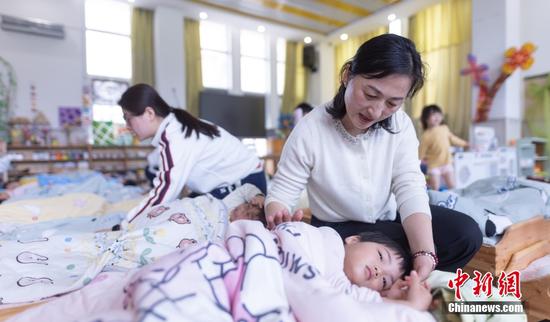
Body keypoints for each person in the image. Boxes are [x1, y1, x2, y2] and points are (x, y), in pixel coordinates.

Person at [265, 34, 482, 281]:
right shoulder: (311, 129)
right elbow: (282, 192)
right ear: (347, 75)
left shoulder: (400, 125)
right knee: (393, 250)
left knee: (465, 234)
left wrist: (424, 252)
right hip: (339, 229)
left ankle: (397, 277)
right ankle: (390, 279)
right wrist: (278, 214)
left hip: (387, 215)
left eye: (392, 102)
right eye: (370, 94)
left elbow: (409, 186)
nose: (377, 111)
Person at [118, 84, 267, 224]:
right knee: (179, 209)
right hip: (242, 178)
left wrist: (127, 224)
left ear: (149, 113)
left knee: (187, 218)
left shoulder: (174, 136)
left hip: (247, 186)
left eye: (128, 119)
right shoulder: (175, 125)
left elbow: (164, 192)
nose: (127, 126)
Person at [419, 104, 469, 190]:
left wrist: (465, 144)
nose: (437, 117)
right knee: (435, 187)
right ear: (426, 118)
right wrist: (420, 159)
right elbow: (421, 150)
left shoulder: (444, 128)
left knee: (452, 186)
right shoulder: (426, 135)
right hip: (434, 165)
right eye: (433, 115)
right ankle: (435, 202)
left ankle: (453, 201)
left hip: (447, 163)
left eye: (439, 114)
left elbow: (453, 139)